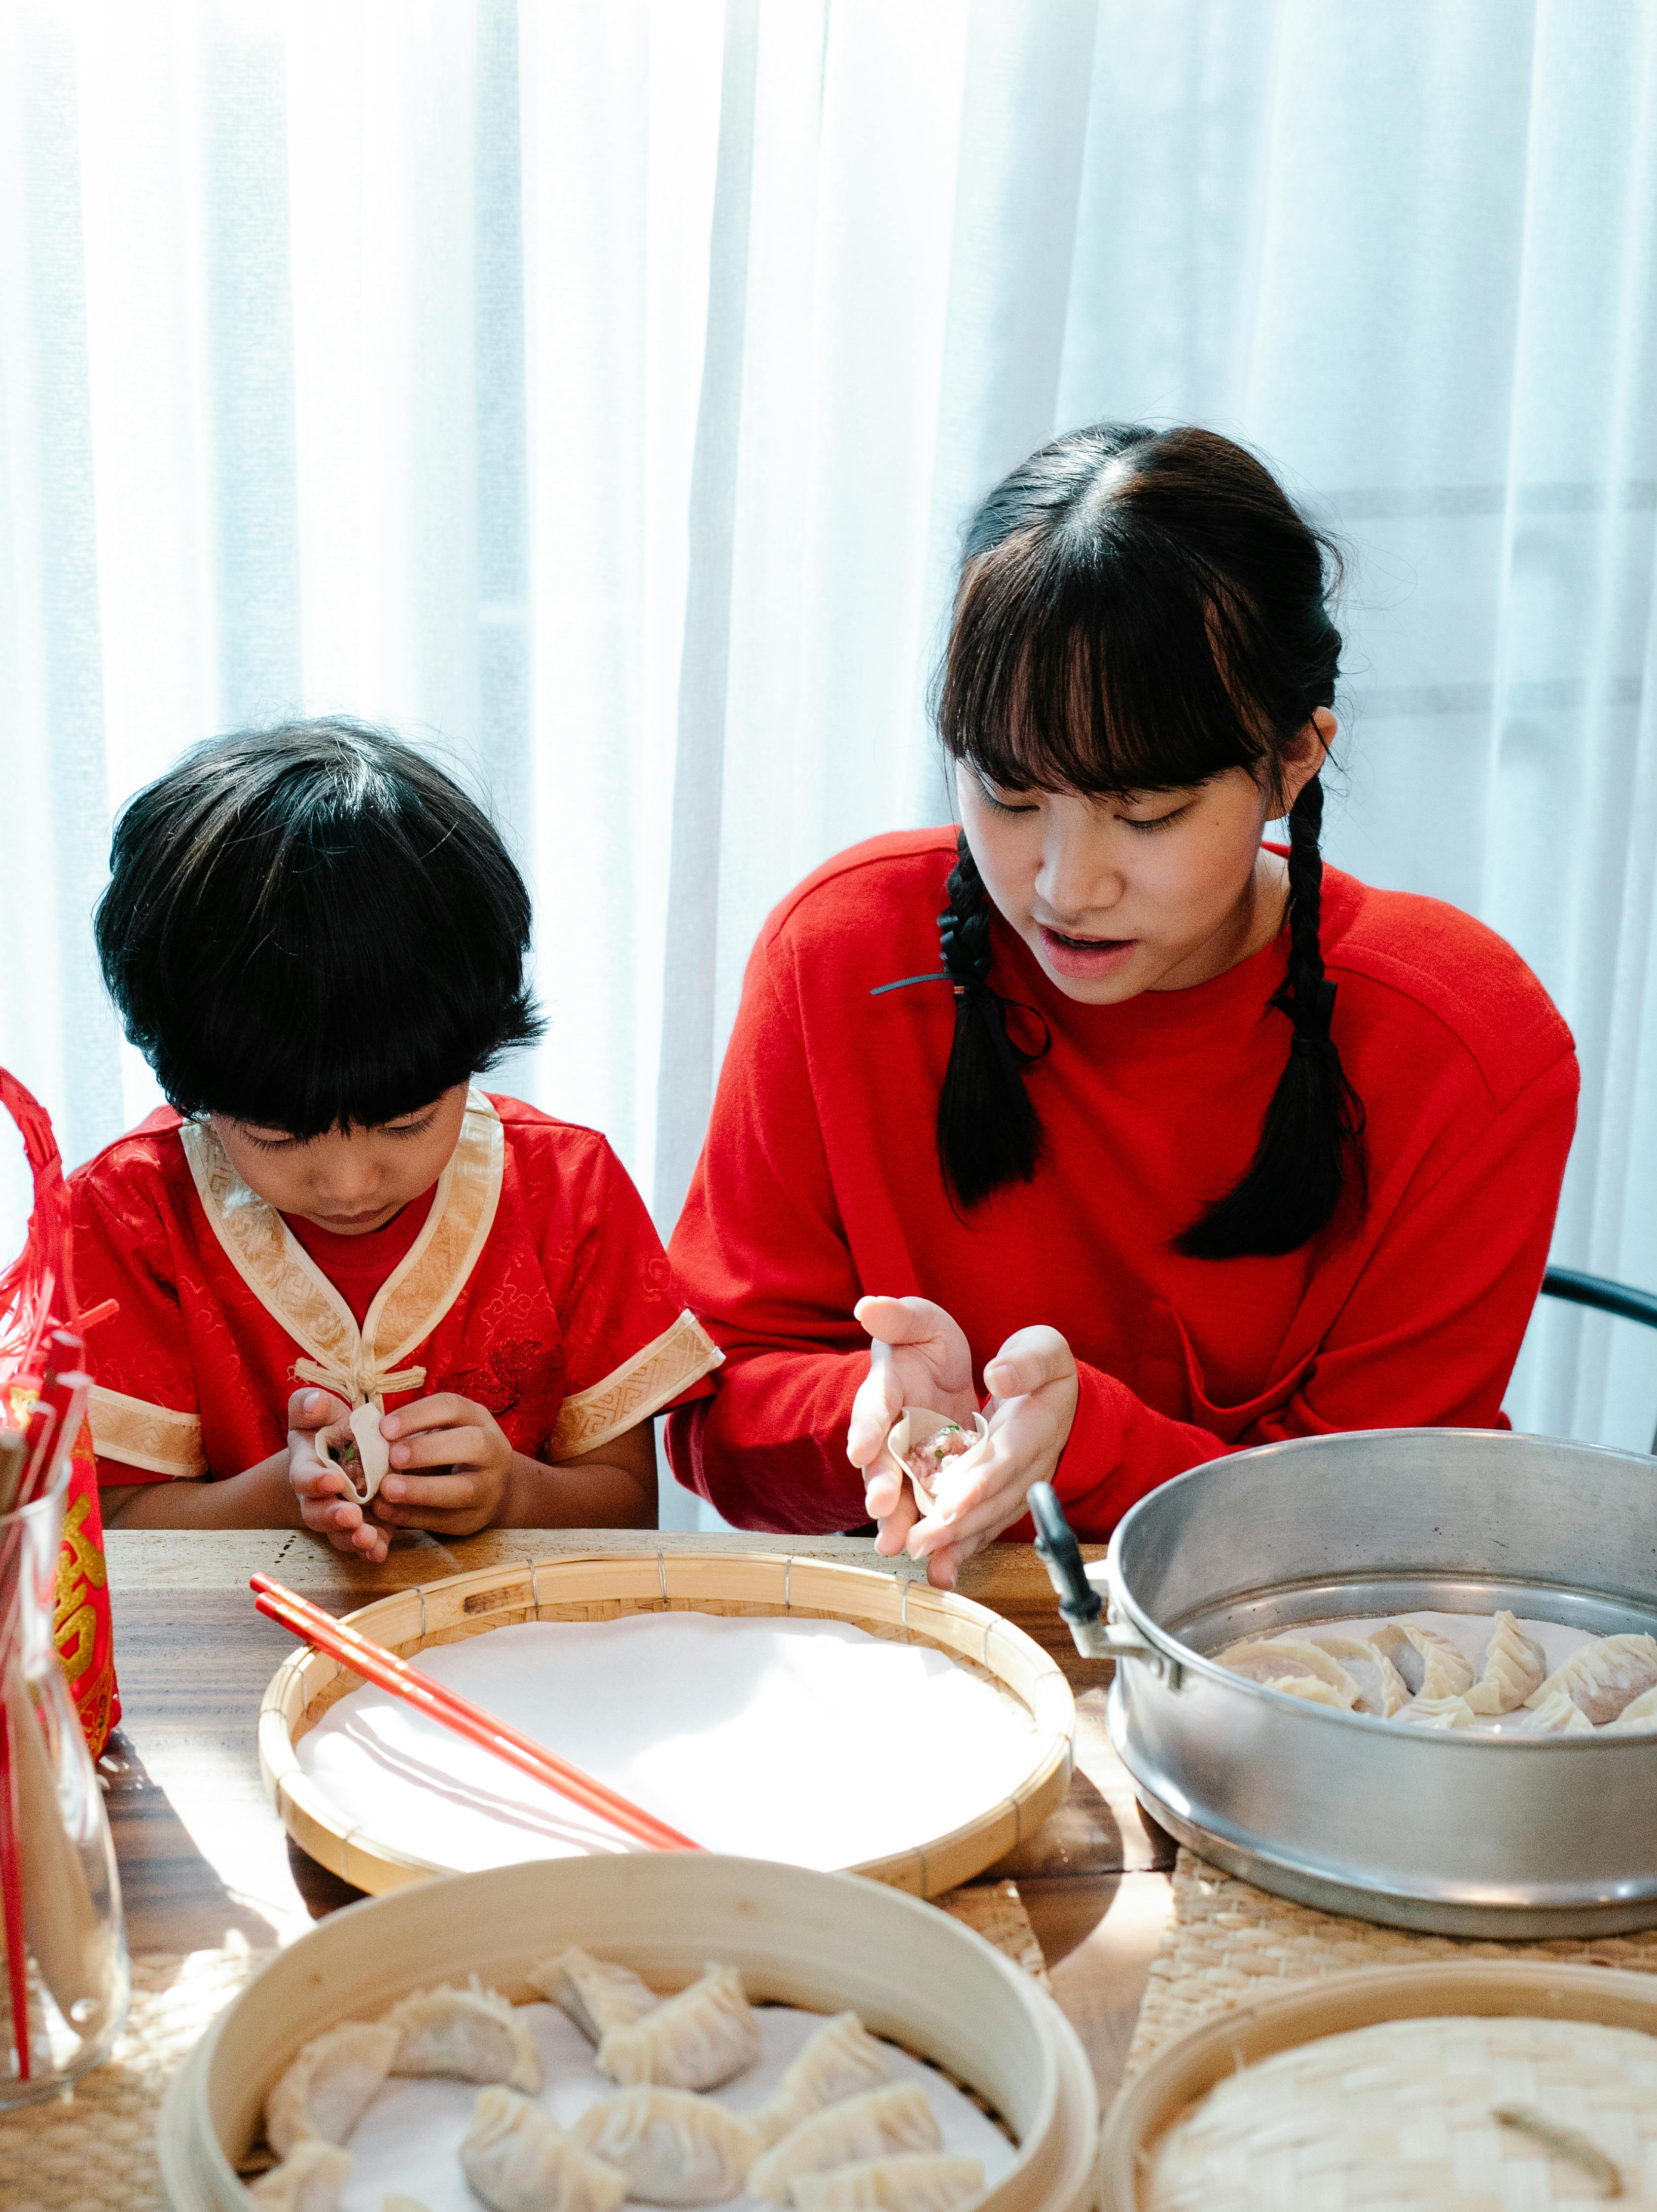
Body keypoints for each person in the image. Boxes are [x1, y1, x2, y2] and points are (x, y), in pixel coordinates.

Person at [666, 424, 1578, 1585]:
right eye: (1007, 793)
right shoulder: (840, 957)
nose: (1064, 885)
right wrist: (866, 1405)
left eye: (1143, 813)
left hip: (1271, 1679)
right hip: (902, 1655)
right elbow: (711, 1416)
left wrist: (1087, 1449)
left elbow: (1373, 1534)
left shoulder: (1467, 1045)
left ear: (1293, 761)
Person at [74, 721, 719, 1559]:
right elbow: (105, 1533)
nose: (349, 1184)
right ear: (191, 1087)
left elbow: (630, 1508)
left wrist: (514, 1490)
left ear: (477, 1048)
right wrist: (276, 1497)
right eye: (275, 1134)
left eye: (407, 1121)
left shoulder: (568, 1188)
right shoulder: (128, 1214)